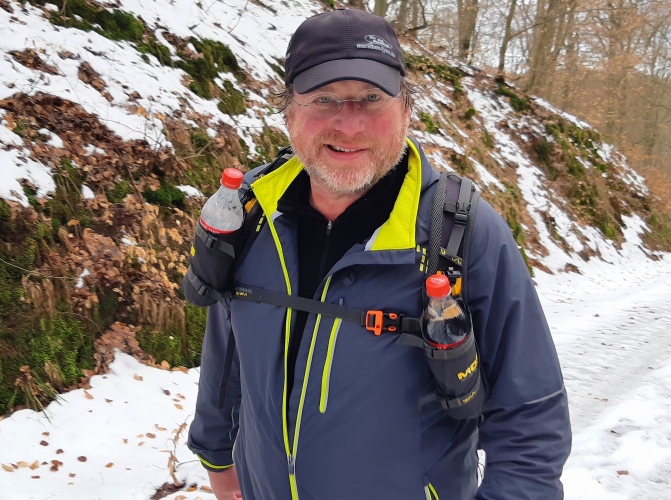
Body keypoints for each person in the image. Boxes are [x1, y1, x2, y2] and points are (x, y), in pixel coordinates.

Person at [187, 8, 571, 500]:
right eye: (323, 98)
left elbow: (530, 413)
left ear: (406, 110)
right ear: (288, 113)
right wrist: (217, 454)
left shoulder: (460, 233)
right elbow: (227, 352)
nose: (349, 125)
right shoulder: (251, 214)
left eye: (372, 98)